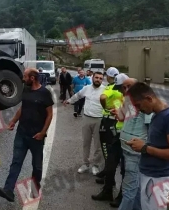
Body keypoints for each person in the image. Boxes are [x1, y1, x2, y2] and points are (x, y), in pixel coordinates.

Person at [0, 68, 54, 202]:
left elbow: (50, 114)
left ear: (32, 78)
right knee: (16, 162)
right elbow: (23, 108)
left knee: (37, 166)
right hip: (21, 133)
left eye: (25, 76)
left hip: (36, 136)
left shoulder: (44, 93)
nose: (23, 79)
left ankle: (35, 189)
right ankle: (8, 190)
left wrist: (43, 133)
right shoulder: (26, 90)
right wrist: (13, 121)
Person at [126, 82, 169, 210]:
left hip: (158, 179)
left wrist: (145, 148)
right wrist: (142, 144)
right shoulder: (156, 115)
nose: (138, 109)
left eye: (138, 105)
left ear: (149, 98)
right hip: (149, 176)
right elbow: (158, 144)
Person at [115, 77, 152, 210]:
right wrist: (118, 111)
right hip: (126, 149)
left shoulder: (143, 103)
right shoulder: (127, 101)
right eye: (124, 87)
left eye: (129, 87)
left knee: (129, 189)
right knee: (135, 188)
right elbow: (121, 117)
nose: (126, 90)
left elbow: (150, 126)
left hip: (135, 152)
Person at [92, 72, 127, 202]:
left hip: (127, 136)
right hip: (117, 132)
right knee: (111, 163)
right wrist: (117, 112)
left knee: (125, 168)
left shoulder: (134, 98)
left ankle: (122, 196)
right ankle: (107, 190)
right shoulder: (120, 94)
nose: (122, 91)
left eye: (123, 88)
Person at [63, 71, 104, 175]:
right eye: (96, 78)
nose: (98, 80)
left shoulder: (105, 90)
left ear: (102, 80)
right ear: (92, 78)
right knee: (86, 143)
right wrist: (69, 101)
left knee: (98, 145)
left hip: (99, 120)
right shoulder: (87, 88)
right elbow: (78, 95)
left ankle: (95, 165)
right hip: (86, 119)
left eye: (100, 78)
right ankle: (85, 164)